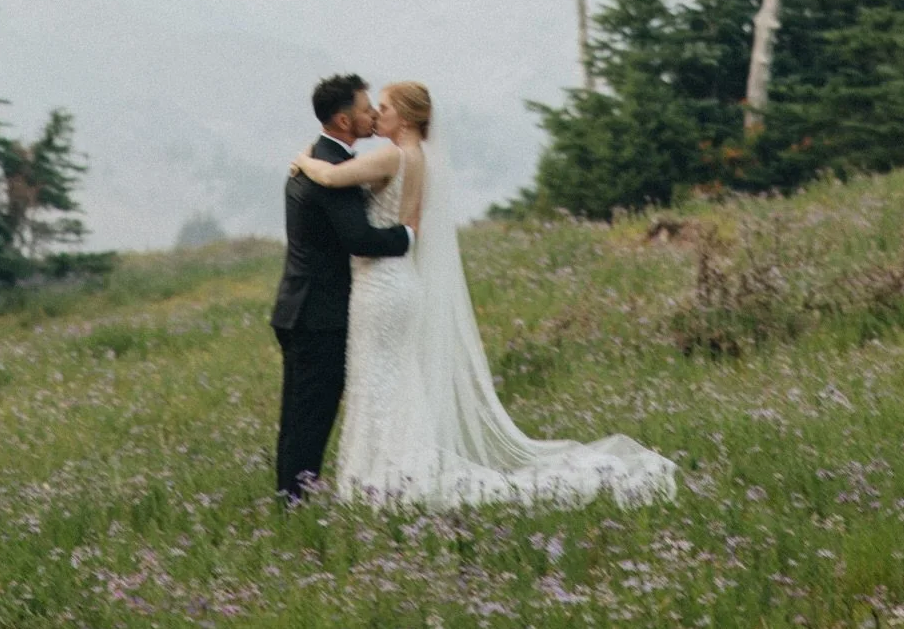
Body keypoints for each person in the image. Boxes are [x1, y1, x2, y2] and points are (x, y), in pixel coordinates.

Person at [290, 80, 677, 506]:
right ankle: (392, 470)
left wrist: (303, 160)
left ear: (406, 115)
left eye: (384, 108)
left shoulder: (391, 155)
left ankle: (387, 476)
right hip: (399, 282)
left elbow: (329, 175)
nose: (378, 115)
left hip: (381, 285)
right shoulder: (420, 158)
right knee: (395, 378)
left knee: (379, 378)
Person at [269, 74, 411, 501]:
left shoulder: (317, 157)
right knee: (311, 415)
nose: (373, 115)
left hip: (299, 306)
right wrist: (409, 236)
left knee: (298, 414)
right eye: (367, 109)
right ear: (344, 119)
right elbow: (360, 239)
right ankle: (294, 502)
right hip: (319, 315)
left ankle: (289, 497)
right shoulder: (330, 167)